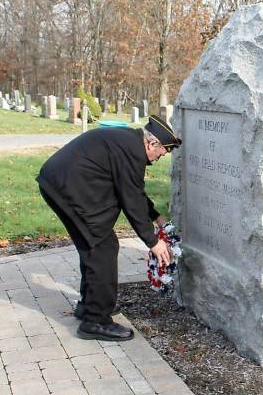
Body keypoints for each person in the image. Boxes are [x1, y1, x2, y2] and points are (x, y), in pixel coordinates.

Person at [37, 115, 182, 341]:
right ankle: (95, 321)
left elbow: (133, 190)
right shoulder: (132, 152)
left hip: (59, 183)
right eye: (161, 152)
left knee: (93, 245)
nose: (159, 157)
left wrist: (156, 216)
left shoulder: (129, 143)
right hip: (69, 188)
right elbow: (131, 199)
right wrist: (153, 242)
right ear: (152, 143)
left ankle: (89, 306)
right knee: (102, 248)